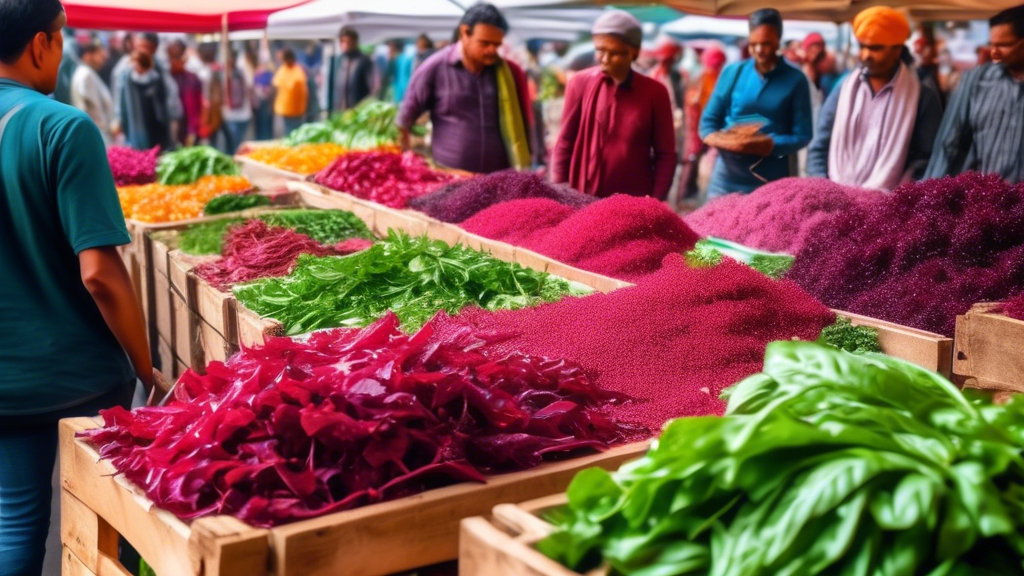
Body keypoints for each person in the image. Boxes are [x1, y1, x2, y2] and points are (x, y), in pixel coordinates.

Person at [0, 2, 158, 574]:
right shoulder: (62, 127)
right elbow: (101, 273)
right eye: (62, 39)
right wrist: (145, 367)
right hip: (75, 379)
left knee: (14, 525)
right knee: (114, 527)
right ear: (41, 45)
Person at [807, 7, 942, 191]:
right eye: (862, 46)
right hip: (836, 200)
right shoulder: (843, 88)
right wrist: (824, 190)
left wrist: (901, 198)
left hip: (892, 207)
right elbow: (819, 147)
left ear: (896, 50)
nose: (865, 54)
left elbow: (926, 159)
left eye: (875, 48)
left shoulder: (922, 96)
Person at [551, 11, 676, 200]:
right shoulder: (579, 83)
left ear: (634, 51)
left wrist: (656, 199)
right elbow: (564, 142)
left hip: (633, 199)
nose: (605, 59)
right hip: (582, 196)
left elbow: (665, 154)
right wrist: (560, 192)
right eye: (600, 50)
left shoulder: (655, 92)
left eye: (615, 53)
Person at [397, 4, 533, 173]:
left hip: (499, 178)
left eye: (497, 45)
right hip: (450, 177)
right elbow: (403, 121)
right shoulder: (434, 68)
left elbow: (525, 122)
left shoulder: (508, 72)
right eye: (485, 43)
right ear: (464, 33)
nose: (492, 50)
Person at [699, 9, 814, 196]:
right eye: (754, 44)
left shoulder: (795, 79)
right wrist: (721, 139)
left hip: (771, 180)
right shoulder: (733, 73)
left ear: (778, 39)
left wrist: (765, 144)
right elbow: (708, 121)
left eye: (766, 44)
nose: (759, 50)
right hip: (726, 178)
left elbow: (803, 135)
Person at [925, 4, 1024, 184]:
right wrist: (931, 191)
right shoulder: (977, 80)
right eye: (992, 44)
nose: (994, 51)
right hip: (987, 201)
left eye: (1004, 44)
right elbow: (950, 142)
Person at [114, 32, 181, 150]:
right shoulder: (124, 68)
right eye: (140, 46)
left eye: (147, 47)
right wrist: (118, 119)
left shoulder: (161, 68)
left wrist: (173, 119)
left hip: (158, 127)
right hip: (134, 123)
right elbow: (118, 96)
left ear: (154, 49)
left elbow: (171, 95)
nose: (143, 51)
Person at [680, 45, 726, 200]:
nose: (715, 68)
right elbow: (692, 104)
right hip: (697, 126)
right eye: (714, 65)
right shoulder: (699, 79)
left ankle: (698, 193)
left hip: (712, 127)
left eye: (718, 65)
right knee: (693, 158)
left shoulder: (721, 79)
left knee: (707, 161)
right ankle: (686, 193)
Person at [71, 37, 114, 143]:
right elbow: (88, 109)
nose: (104, 56)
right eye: (99, 52)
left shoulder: (88, 72)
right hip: (96, 136)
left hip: (99, 134)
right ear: (88, 55)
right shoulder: (85, 74)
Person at [167, 39, 202, 147]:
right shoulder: (164, 78)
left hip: (188, 130)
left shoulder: (192, 78)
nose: (176, 61)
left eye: (178, 56)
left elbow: (197, 106)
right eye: (173, 57)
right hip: (170, 130)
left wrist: (192, 129)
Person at [332, 27, 374, 111]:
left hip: (358, 109)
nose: (345, 44)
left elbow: (372, 87)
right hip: (340, 109)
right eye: (343, 41)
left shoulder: (364, 61)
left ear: (355, 42)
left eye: (348, 41)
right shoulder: (338, 60)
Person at [221, 50, 253, 154]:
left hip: (241, 114)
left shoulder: (240, 73)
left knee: (237, 142)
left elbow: (248, 90)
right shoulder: (223, 74)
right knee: (234, 141)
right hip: (230, 115)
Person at [273, 47, 308, 137]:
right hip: (286, 110)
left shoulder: (297, 71)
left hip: (296, 110)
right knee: (289, 134)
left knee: (295, 134)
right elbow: (276, 84)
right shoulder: (284, 69)